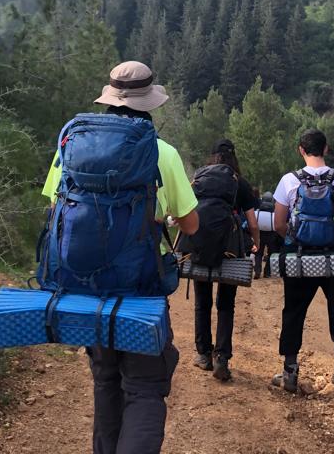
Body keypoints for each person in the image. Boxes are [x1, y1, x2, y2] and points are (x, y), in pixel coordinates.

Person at [41, 61, 199, 454]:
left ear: (110, 100)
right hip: (141, 290)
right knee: (144, 387)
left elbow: (52, 206)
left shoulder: (73, 146)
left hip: (86, 286)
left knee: (106, 379)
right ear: (150, 104)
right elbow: (192, 225)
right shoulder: (162, 152)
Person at [271, 128, 334, 393]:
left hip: (300, 260)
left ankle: (289, 372)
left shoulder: (289, 181)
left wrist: (296, 238)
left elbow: (278, 223)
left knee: (293, 311)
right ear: (326, 149)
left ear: (301, 150)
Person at [192, 139, 260, 381]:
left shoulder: (199, 177)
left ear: (212, 156)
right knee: (226, 304)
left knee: (202, 302)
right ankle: (222, 357)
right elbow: (252, 221)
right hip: (230, 248)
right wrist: (256, 242)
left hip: (200, 245)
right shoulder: (239, 182)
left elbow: (187, 210)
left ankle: (203, 355)